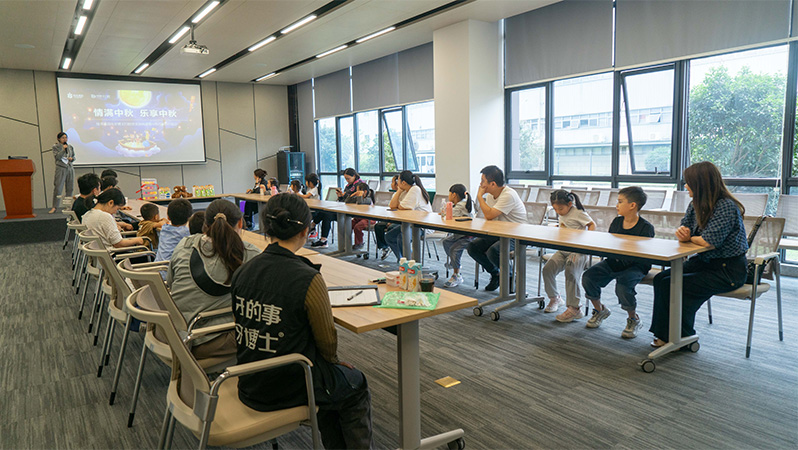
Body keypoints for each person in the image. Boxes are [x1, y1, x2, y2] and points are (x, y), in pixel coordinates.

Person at [231, 193, 373, 449]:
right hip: (290, 383)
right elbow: (327, 342)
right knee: (354, 383)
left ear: (267, 227)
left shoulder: (243, 271)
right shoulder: (307, 278)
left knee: (331, 382)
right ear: (306, 230)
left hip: (249, 379)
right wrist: (333, 363)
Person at [650, 161, 748, 348]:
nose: (686, 186)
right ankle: (669, 334)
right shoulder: (695, 204)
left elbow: (709, 242)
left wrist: (690, 237)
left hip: (728, 270)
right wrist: (683, 234)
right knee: (661, 279)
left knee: (674, 285)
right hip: (704, 262)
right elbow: (684, 228)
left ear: (701, 184)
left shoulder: (726, 206)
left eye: (689, 182)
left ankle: (678, 336)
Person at [168, 199, 261, 358]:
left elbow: (170, 283)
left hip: (174, 333)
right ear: (240, 223)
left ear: (205, 224)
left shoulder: (185, 244)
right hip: (203, 339)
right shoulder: (250, 254)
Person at [581, 187, 655, 338]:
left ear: (632, 205)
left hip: (636, 266)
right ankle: (600, 310)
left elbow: (643, 254)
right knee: (589, 277)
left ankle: (633, 319)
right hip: (614, 262)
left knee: (623, 286)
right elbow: (611, 243)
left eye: (620, 202)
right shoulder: (616, 222)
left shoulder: (646, 228)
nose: (617, 205)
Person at [466, 165, 526, 291]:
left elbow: (489, 215)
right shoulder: (490, 196)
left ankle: (509, 278)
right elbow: (489, 217)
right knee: (473, 247)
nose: (481, 184)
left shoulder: (508, 195)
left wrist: (479, 197)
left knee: (493, 251)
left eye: (483, 181)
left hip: (516, 234)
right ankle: (496, 274)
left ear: (492, 184)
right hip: (500, 233)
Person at [542, 190, 596, 322]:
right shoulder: (563, 213)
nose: (558, 212)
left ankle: (575, 308)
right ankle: (555, 298)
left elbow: (592, 224)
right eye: (555, 209)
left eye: (560, 208)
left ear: (570, 204)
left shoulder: (578, 213)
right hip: (564, 249)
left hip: (577, 250)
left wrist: (586, 239)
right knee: (547, 269)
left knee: (571, 273)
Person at [311, 168, 367, 248]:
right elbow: (345, 200)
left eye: (348, 178)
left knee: (326, 214)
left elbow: (356, 200)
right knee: (325, 213)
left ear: (354, 176)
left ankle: (314, 228)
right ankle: (322, 239)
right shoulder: (348, 186)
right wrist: (341, 196)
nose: (347, 180)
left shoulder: (360, 186)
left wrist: (346, 197)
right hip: (344, 209)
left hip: (353, 212)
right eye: (345, 179)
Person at [384, 170, 432, 261]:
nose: (397, 182)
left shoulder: (415, 189)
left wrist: (399, 205)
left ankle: (410, 261)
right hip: (410, 223)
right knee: (389, 237)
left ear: (403, 182)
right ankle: (403, 260)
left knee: (402, 237)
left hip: (421, 226)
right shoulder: (405, 191)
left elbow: (402, 207)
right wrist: (399, 191)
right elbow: (393, 206)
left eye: (398, 180)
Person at [80, 188, 146, 249]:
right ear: (110, 203)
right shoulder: (105, 216)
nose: (115, 212)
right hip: (113, 254)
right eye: (117, 209)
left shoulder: (87, 215)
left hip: (100, 254)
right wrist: (138, 240)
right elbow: (118, 244)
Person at [441, 184, 475, 288]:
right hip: (460, 234)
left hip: (468, 236)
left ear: (454, 195)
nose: (449, 196)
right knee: (446, 241)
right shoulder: (463, 203)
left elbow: (448, 215)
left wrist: (444, 212)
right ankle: (454, 262)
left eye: (449, 193)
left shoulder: (461, 205)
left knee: (454, 249)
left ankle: (457, 275)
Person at [154, 198, 193, 263]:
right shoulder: (186, 233)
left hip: (156, 266)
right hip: (171, 268)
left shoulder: (164, 228)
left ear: (168, 217)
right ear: (189, 218)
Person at [373, 175, 399, 260]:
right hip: (394, 218)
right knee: (378, 226)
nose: (391, 184)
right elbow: (391, 208)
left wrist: (392, 221)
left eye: (392, 182)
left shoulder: (404, 194)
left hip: (400, 220)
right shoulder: (395, 194)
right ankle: (385, 247)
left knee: (391, 228)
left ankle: (397, 249)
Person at [49, 132, 75, 213]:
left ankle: (68, 206)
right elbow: (57, 157)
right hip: (61, 168)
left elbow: (74, 156)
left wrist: (72, 159)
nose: (65, 139)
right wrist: (63, 150)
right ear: (59, 139)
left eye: (66, 137)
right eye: (63, 138)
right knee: (58, 188)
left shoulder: (70, 147)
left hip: (69, 168)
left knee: (70, 188)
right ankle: (54, 207)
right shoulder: (56, 147)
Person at [346, 183, 375, 250]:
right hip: (359, 217)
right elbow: (347, 201)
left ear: (365, 191)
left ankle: (359, 243)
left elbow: (360, 203)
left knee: (357, 227)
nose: (357, 192)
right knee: (348, 225)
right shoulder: (359, 198)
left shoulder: (368, 199)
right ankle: (347, 243)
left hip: (369, 219)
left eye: (358, 191)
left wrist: (359, 196)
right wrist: (353, 194)